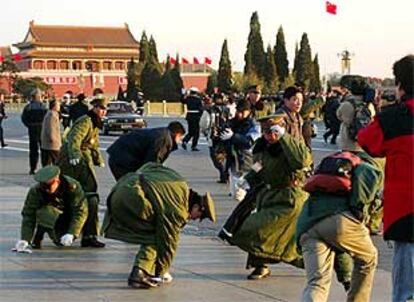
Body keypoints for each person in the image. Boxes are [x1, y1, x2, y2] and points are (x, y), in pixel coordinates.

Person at [102, 162, 216, 289]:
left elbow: (150, 165)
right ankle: (139, 273)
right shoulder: (178, 209)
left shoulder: (179, 183)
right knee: (156, 237)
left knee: (153, 231)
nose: (194, 219)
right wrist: (162, 272)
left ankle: (144, 271)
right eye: (198, 216)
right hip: (131, 197)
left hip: (121, 187)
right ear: (197, 207)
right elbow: (168, 242)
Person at [227, 113, 313, 280]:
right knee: (255, 231)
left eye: (274, 131)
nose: (271, 136)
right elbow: (259, 166)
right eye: (267, 132)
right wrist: (248, 179)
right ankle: (261, 265)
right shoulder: (262, 148)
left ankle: (302, 262)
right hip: (269, 197)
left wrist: (284, 137)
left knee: (261, 229)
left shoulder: (292, 146)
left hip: (289, 198)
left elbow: (301, 162)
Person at [358, 54, 414, 302]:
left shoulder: (394, 118)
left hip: (406, 214)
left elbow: (368, 142)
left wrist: (382, 111)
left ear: (401, 85)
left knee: (405, 291)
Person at [296, 151, 383, 302]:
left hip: (308, 224)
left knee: (317, 282)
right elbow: (363, 201)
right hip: (339, 220)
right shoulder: (369, 168)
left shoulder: (334, 162)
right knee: (368, 258)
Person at [57, 97, 108, 248]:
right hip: (72, 161)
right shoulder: (86, 121)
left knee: (89, 194)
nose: (103, 111)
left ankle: (89, 234)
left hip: (82, 158)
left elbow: (94, 143)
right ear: (94, 108)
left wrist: (98, 159)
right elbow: (74, 139)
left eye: (105, 109)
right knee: (77, 194)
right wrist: (74, 155)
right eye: (100, 108)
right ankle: (74, 232)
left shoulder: (95, 122)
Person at [12, 165, 88, 253]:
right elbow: (28, 214)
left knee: (92, 202)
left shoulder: (72, 187)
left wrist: (72, 233)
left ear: (57, 181)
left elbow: (80, 211)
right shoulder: (36, 191)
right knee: (46, 214)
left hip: (70, 213)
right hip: (55, 215)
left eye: (49, 186)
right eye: (44, 186)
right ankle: (42, 233)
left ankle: (89, 237)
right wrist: (25, 239)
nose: (46, 189)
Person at [107, 121, 186, 180]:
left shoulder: (162, 133)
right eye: (180, 138)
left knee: (130, 184)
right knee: (130, 185)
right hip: (123, 160)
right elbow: (152, 163)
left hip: (119, 156)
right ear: (177, 134)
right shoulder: (164, 138)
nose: (179, 141)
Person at [220, 99, 261, 197]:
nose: (240, 114)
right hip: (233, 160)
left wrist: (234, 136)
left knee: (243, 194)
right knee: (235, 193)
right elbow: (224, 139)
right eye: (238, 111)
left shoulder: (254, 125)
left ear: (249, 111)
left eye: (243, 112)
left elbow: (249, 142)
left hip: (247, 161)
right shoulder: (232, 123)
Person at [199, 93, 231, 183]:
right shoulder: (229, 109)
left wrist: (205, 132)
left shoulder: (208, 111)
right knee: (225, 155)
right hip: (227, 135)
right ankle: (225, 174)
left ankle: (223, 173)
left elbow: (204, 123)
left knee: (215, 156)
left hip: (214, 137)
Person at [21, 88, 48, 174]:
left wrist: (29, 125)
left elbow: (24, 118)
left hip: (32, 129)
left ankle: (33, 168)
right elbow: (47, 118)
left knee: (33, 150)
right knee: (44, 149)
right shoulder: (43, 106)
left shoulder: (28, 107)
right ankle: (45, 167)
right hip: (41, 129)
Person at [41, 99, 62, 166]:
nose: (59, 106)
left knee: (47, 162)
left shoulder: (51, 114)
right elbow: (51, 128)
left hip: (48, 143)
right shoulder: (52, 115)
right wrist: (53, 139)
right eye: (58, 105)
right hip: (52, 144)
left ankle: (46, 175)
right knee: (56, 162)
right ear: (54, 106)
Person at [182, 87, 203, 151]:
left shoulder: (188, 99)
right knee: (196, 132)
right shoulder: (198, 99)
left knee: (191, 131)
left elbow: (182, 101)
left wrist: (184, 94)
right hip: (196, 117)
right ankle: (194, 146)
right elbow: (200, 109)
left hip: (189, 116)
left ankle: (185, 141)